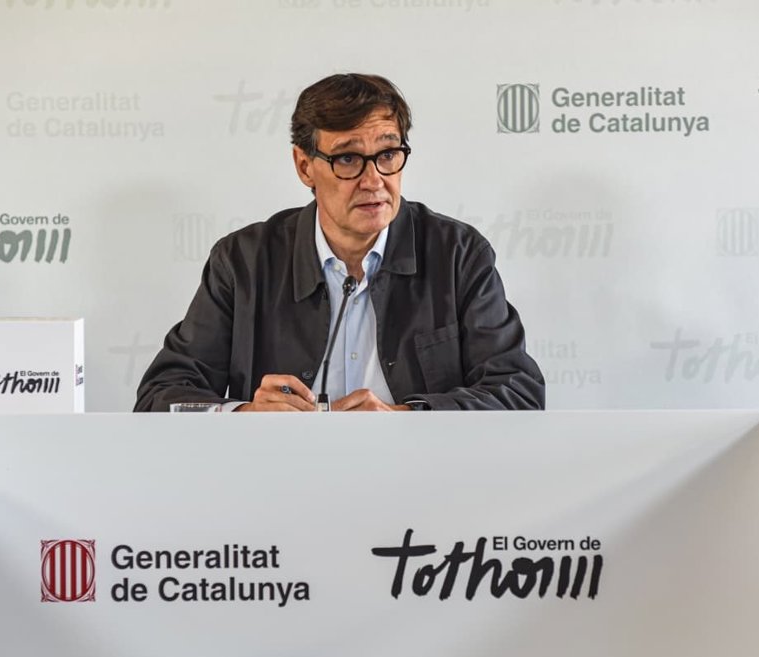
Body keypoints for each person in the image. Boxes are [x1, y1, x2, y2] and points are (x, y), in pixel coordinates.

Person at [134, 73, 544, 412]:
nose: (374, 180)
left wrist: (408, 417)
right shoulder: (244, 261)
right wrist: (245, 414)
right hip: (282, 473)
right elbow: (160, 397)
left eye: (388, 154)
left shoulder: (457, 254)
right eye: (348, 159)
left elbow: (518, 392)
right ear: (304, 166)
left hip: (418, 472)